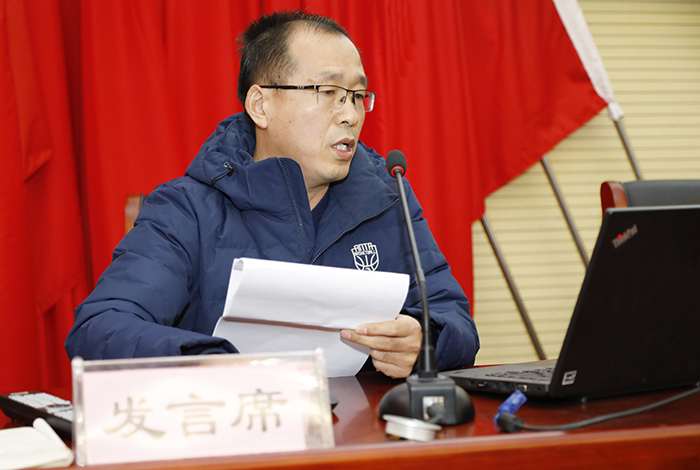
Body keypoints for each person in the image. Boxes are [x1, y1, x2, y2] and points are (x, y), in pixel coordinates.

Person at [64, 10, 479, 379]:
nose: (350, 115)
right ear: (260, 105)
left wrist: (423, 339)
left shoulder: (389, 198)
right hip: (234, 427)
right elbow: (100, 328)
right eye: (328, 92)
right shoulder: (186, 209)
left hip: (360, 431)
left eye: (357, 96)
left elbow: (456, 320)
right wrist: (211, 363)